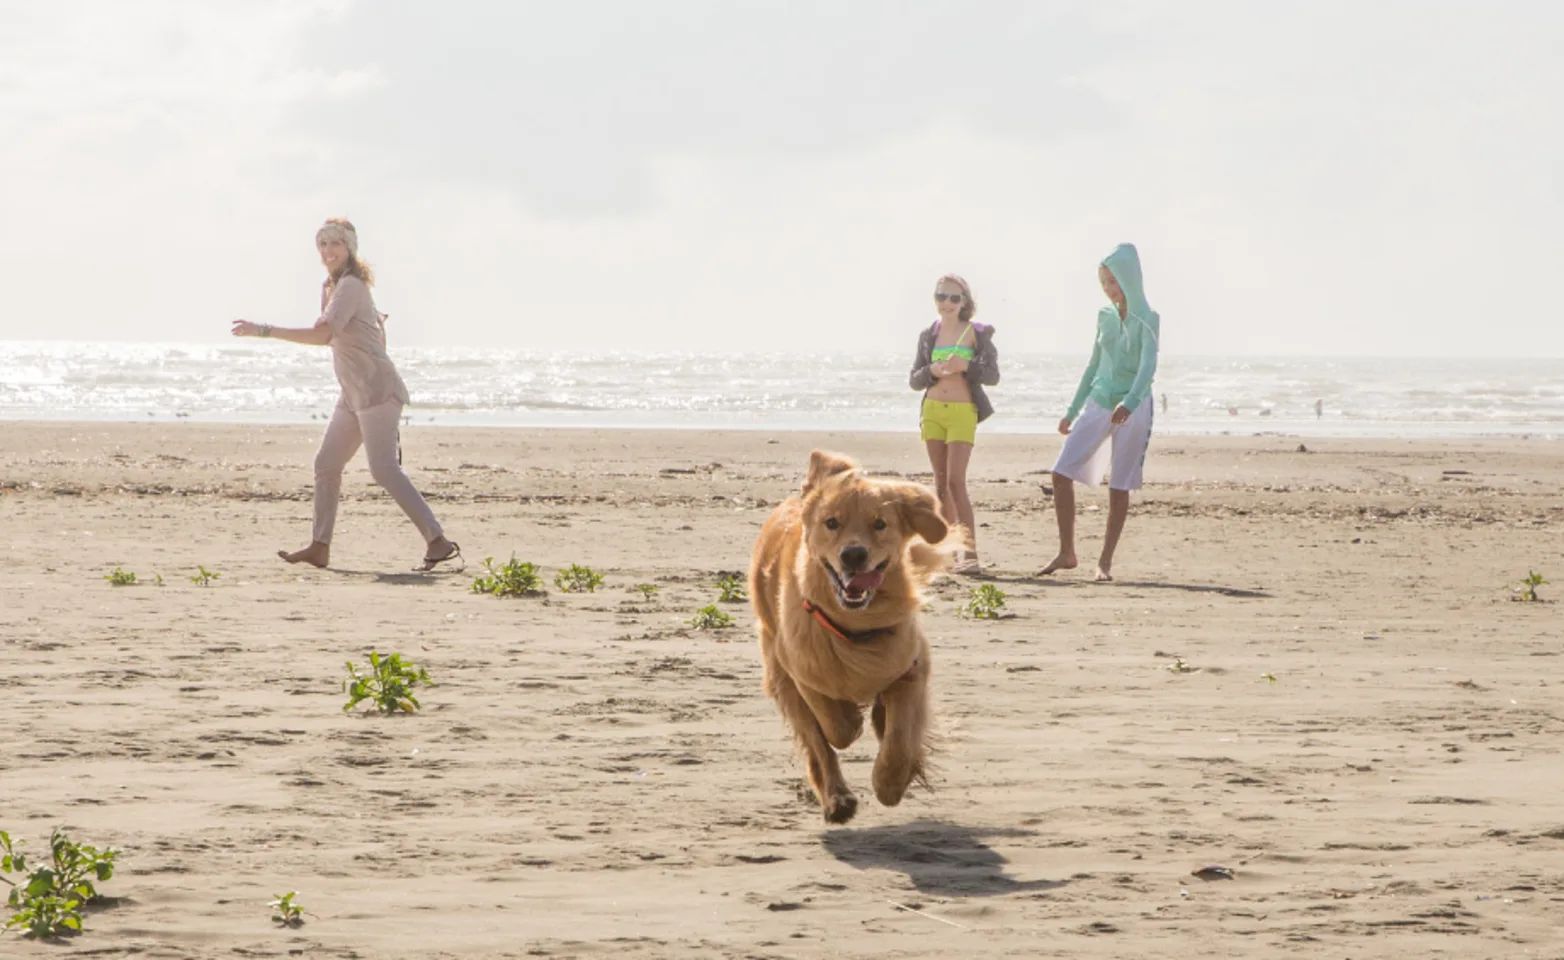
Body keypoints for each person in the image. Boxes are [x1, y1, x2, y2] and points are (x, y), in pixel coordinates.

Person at [230, 218, 460, 572]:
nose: (328, 251)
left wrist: (263, 331)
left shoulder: (351, 285)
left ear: (349, 247)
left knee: (384, 470)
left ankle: (437, 541)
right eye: (322, 245)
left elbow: (323, 335)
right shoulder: (330, 286)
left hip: (377, 391)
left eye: (335, 244)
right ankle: (320, 547)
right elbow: (340, 335)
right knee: (326, 464)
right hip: (352, 394)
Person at [1040, 243, 1159, 582]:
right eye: (1104, 282)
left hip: (1134, 408)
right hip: (1099, 401)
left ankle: (1104, 563)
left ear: (1130, 279)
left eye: (1114, 280)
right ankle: (1067, 552)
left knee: (1119, 485)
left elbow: (1147, 367)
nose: (1109, 289)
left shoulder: (1148, 319)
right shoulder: (1104, 317)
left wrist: (1130, 403)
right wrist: (1072, 410)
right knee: (1061, 472)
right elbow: (1094, 364)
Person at [909, 274, 999, 575]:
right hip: (933, 410)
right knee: (940, 483)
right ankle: (946, 554)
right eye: (941, 296)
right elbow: (914, 380)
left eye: (954, 298)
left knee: (956, 481)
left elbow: (992, 376)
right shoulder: (928, 335)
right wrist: (931, 370)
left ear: (964, 302)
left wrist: (966, 367)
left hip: (963, 412)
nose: (947, 303)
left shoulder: (977, 334)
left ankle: (970, 555)